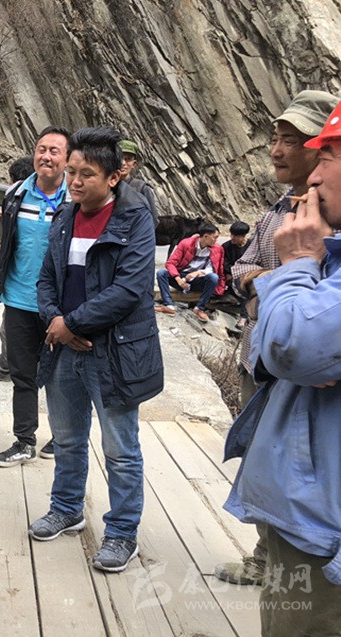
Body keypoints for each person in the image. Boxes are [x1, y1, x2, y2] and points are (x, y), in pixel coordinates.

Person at [223, 102, 341, 635]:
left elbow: (296, 346)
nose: (277, 151)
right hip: (299, 487)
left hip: (323, 524)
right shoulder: (278, 213)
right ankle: (262, 554)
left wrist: (292, 270)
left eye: (322, 153)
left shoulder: (315, 236)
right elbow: (244, 269)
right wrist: (268, 289)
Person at [29, 126, 162, 573]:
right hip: (64, 349)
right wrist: (56, 321)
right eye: (72, 172)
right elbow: (46, 278)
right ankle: (67, 508)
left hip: (114, 353)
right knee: (67, 439)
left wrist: (70, 323)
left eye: (86, 174)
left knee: (121, 449)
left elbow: (129, 290)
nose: (75, 181)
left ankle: (122, 533)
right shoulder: (65, 216)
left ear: (114, 177)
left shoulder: (135, 219)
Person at [0, 128, 72, 467]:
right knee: (22, 375)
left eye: (55, 151)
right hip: (18, 299)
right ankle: (24, 440)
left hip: (59, 305)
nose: (46, 156)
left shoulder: (75, 198)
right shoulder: (16, 194)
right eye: (41, 149)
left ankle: (63, 437)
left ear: (67, 159)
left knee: (61, 377)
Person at [0, 155, 35, 384]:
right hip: (33, 279)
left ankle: (5, 367)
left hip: (20, 278)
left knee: (10, 329)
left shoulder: (16, 195)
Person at [155, 223, 225, 322]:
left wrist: (197, 273)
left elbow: (212, 269)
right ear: (206, 236)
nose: (216, 240)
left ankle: (199, 308)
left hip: (198, 279)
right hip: (182, 276)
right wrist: (178, 279)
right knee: (161, 273)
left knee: (214, 277)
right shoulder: (186, 243)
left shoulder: (217, 249)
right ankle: (168, 305)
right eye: (215, 237)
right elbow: (170, 263)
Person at [118, 139, 158, 226]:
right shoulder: (104, 187)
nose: (123, 163)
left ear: (134, 164)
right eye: (119, 158)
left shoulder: (141, 188)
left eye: (128, 159)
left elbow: (153, 221)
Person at [221, 221, 251, 327]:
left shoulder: (252, 246)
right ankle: (243, 317)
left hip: (249, 276)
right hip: (232, 278)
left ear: (244, 236)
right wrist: (235, 272)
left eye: (236, 236)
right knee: (244, 288)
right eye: (231, 235)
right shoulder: (226, 246)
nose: (232, 238)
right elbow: (225, 264)